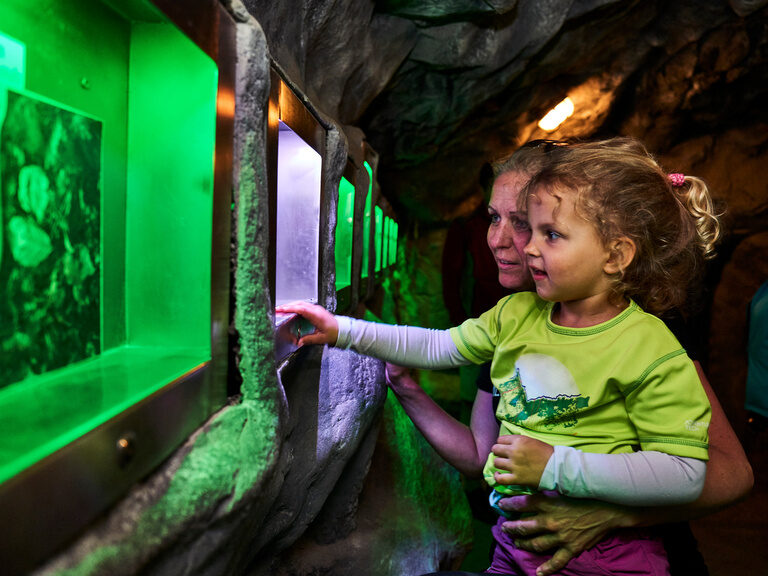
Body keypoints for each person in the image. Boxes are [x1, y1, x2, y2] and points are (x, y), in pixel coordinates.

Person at [276, 138, 752, 575]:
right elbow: (451, 368)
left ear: (615, 252)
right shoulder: (517, 317)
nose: (511, 242)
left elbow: (711, 471)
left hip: (614, 557)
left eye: (539, 229)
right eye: (495, 218)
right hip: (516, 545)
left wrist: (587, 497)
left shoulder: (646, 339)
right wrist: (344, 331)